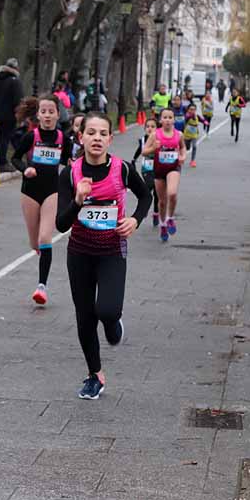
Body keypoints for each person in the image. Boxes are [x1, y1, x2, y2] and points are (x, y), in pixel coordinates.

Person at [56, 113, 151, 399]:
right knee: (85, 317)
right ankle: (94, 375)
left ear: (111, 139)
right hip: (80, 253)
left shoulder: (122, 169)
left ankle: (112, 321)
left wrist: (135, 220)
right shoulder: (70, 174)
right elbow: (61, 224)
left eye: (103, 133)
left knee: (107, 311)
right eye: (91, 132)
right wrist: (78, 201)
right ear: (81, 137)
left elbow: (145, 197)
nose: (97, 138)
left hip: (112, 250)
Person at [11, 96, 71, 305]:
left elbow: (67, 162)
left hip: (51, 192)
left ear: (57, 114)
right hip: (30, 192)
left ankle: (41, 287)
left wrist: (72, 164)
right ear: (38, 115)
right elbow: (15, 158)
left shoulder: (64, 139)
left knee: (46, 238)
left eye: (51, 111)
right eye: (43, 111)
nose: (47, 115)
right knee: (34, 242)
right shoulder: (31, 137)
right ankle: (36, 246)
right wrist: (24, 169)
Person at [142, 107, 186, 242]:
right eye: (165, 117)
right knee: (162, 202)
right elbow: (144, 151)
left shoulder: (179, 135)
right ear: (161, 120)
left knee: (172, 193)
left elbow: (183, 147)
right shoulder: (155, 135)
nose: (167, 120)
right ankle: (162, 225)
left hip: (173, 167)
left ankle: (170, 218)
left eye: (170, 117)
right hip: (159, 169)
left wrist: (183, 156)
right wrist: (153, 148)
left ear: (174, 120)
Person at [0, 58, 23, 171]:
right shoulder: (15, 81)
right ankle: (2, 162)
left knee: (0, 139)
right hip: (10, 115)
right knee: (5, 139)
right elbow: (18, 100)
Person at [131, 118, 160, 226]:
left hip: (158, 167)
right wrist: (133, 159)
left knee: (157, 192)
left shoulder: (159, 139)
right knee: (148, 186)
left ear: (157, 128)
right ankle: (145, 206)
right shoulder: (143, 140)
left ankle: (156, 212)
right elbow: (139, 150)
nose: (150, 129)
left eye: (153, 126)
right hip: (146, 167)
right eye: (147, 126)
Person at [182, 104, 201, 168]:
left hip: (194, 135)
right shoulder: (187, 116)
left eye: (194, 109)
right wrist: (191, 116)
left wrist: (205, 122)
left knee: (194, 146)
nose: (192, 111)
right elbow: (186, 119)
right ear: (188, 110)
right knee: (187, 148)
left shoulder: (196, 116)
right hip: (187, 135)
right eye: (191, 109)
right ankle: (182, 157)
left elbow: (201, 119)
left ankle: (192, 161)